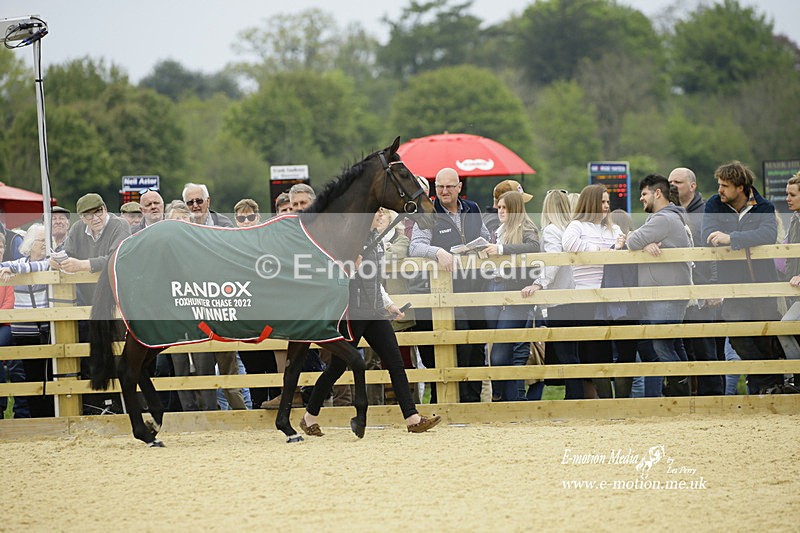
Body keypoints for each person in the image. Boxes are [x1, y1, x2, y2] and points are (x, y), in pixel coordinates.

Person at [299, 210, 441, 435]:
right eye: (377, 212)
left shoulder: (377, 243)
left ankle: (412, 418)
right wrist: (350, 265)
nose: (381, 215)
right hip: (353, 313)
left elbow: (375, 281)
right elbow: (333, 273)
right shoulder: (349, 243)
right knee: (336, 368)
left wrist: (388, 304)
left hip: (374, 312)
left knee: (395, 362)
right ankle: (309, 417)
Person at [701, 160, 785, 394]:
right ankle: (769, 382)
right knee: (738, 334)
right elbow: (706, 234)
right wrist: (744, 238)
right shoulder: (714, 204)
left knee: (765, 337)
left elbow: (768, 234)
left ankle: (768, 387)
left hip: (763, 283)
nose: (720, 190)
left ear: (740, 187)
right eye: (719, 184)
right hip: (732, 285)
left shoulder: (763, 206)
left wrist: (732, 238)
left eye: (725, 186)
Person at [409, 167, 491, 403]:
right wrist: (437, 252)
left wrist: (485, 248)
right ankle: (450, 402)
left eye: (448, 186)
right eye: (439, 187)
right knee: (454, 347)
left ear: (459, 188)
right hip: (443, 293)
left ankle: (473, 402)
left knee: (476, 346)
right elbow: (415, 247)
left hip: (475, 289)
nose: (444, 191)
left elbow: (485, 235)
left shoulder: (472, 208)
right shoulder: (427, 212)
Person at [174, 183, 244, 410]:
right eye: (190, 202)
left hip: (222, 305)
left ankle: (242, 416)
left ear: (208, 201)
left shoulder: (224, 224)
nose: (195, 206)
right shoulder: (181, 230)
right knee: (200, 366)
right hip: (194, 306)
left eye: (199, 201)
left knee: (229, 368)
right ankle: (207, 417)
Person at [625, 174, 692, 397]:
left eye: (644, 194)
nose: (642, 199)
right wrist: (646, 243)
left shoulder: (662, 219)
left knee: (661, 343)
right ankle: (683, 392)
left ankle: (678, 391)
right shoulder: (670, 218)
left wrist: (639, 240)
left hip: (666, 292)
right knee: (673, 344)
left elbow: (632, 241)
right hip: (667, 290)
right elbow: (639, 241)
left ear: (657, 193)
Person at [561, 184, 622, 398]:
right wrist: (601, 252)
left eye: (607, 202)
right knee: (591, 349)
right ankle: (597, 399)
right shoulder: (577, 225)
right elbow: (568, 243)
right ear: (591, 203)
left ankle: (609, 399)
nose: (606, 206)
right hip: (585, 294)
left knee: (607, 349)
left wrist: (620, 245)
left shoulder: (613, 228)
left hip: (609, 294)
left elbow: (622, 246)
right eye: (602, 202)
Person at [668, 167, 723, 396]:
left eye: (678, 182)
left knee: (705, 348)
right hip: (677, 291)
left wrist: (713, 284)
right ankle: (683, 399)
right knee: (680, 347)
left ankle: (713, 398)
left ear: (692, 186)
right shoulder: (668, 214)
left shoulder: (707, 213)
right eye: (669, 181)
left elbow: (715, 253)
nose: (672, 185)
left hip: (702, 289)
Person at [521, 190, 581, 399]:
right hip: (573, 296)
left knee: (566, 353)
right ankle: (575, 396)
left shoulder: (551, 231)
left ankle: (574, 398)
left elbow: (553, 260)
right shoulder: (570, 229)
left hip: (559, 299)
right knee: (572, 352)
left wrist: (539, 283)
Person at [482, 190, 539, 401]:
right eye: (499, 208)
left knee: (500, 351)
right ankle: (508, 398)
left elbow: (534, 247)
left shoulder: (527, 227)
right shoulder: (497, 230)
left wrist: (501, 249)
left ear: (514, 208)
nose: (500, 211)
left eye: (505, 208)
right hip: (493, 287)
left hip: (515, 290)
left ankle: (500, 396)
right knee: (497, 347)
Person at [0, 224, 52, 417]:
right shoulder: (18, 263)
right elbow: (4, 267)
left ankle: (50, 417)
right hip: (24, 329)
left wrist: (12, 268)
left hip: (47, 328)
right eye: (41, 241)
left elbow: (38, 268)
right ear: (30, 244)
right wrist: (8, 268)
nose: (45, 245)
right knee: (31, 375)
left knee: (49, 376)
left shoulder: (48, 262)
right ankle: (37, 417)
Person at [232, 198, 276, 408]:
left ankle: (277, 403)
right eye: (242, 218)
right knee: (252, 365)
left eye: (250, 217)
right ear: (236, 221)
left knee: (273, 363)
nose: (247, 221)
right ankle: (257, 407)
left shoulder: (268, 242)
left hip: (268, 311)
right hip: (244, 314)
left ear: (258, 218)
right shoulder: (231, 245)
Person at [0, 234, 22, 417]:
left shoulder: (7, 270)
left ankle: (1, 402)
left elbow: (10, 301)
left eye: (0, 246)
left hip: (5, 323)